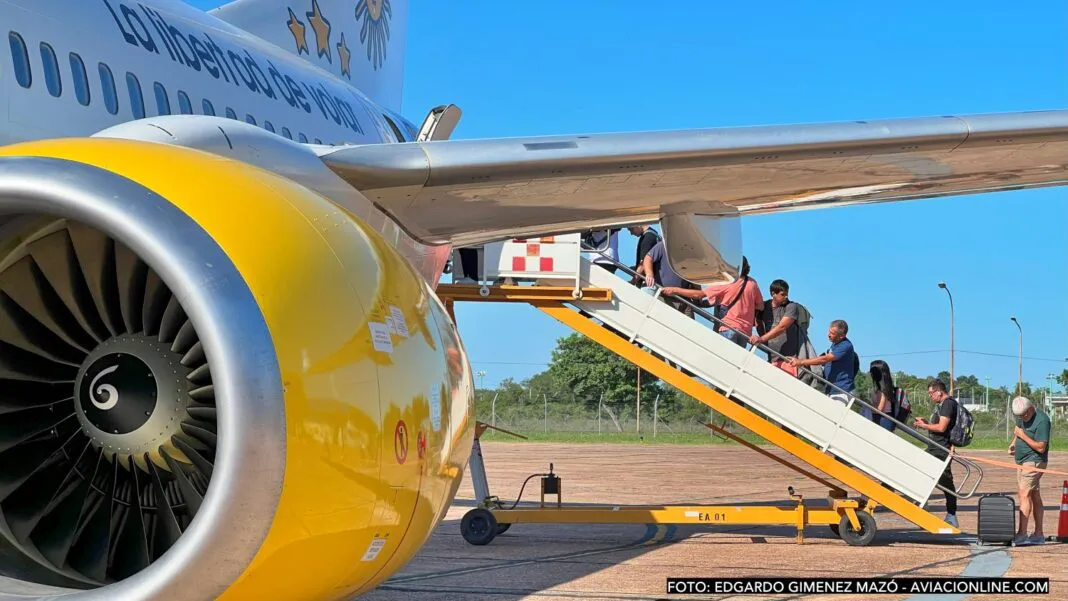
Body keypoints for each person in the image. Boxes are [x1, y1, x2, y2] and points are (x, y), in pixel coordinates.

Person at [662, 257, 762, 347]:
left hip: (728, 327)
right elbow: (760, 306)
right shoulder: (752, 283)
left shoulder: (727, 282)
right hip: (745, 332)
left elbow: (700, 294)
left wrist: (675, 290)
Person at [912, 379, 959, 529]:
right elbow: (939, 426)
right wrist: (926, 423)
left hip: (941, 448)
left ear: (939, 391)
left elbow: (942, 427)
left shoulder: (947, 404)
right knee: (925, 472)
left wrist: (924, 425)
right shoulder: (942, 405)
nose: (930, 396)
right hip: (936, 446)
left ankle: (951, 515)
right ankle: (923, 504)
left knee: (945, 481)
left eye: (931, 393)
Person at [1009, 396, 1051, 545]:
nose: (1022, 418)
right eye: (1019, 416)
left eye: (1025, 414)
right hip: (1021, 461)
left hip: (1034, 461)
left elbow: (1041, 447)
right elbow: (1018, 431)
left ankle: (1021, 534)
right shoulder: (1022, 416)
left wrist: (1022, 436)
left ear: (1031, 408)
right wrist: (1014, 443)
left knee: (1024, 494)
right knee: (1034, 494)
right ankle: (1038, 534)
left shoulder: (1042, 421)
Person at [787, 320, 857, 403]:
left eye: (832, 333)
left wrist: (800, 362)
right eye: (829, 331)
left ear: (842, 336)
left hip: (841, 391)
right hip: (832, 389)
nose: (829, 335)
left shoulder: (845, 345)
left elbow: (825, 359)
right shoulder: (835, 343)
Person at [751, 279, 803, 361]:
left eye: (787, 294)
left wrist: (761, 339)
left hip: (789, 359)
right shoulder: (764, 306)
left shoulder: (791, 306)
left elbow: (782, 327)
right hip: (771, 357)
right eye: (783, 294)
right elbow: (753, 320)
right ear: (773, 293)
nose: (786, 297)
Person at [641, 239, 694, 318]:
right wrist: (649, 273)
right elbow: (648, 258)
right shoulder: (664, 245)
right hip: (664, 296)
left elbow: (696, 277)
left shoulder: (693, 252)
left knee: (689, 327)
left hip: (684, 299)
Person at [867, 360, 902, 431]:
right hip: (882, 419)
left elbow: (880, 409)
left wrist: (866, 407)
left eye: (872, 371)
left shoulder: (884, 389)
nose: (870, 373)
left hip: (883, 420)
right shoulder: (879, 387)